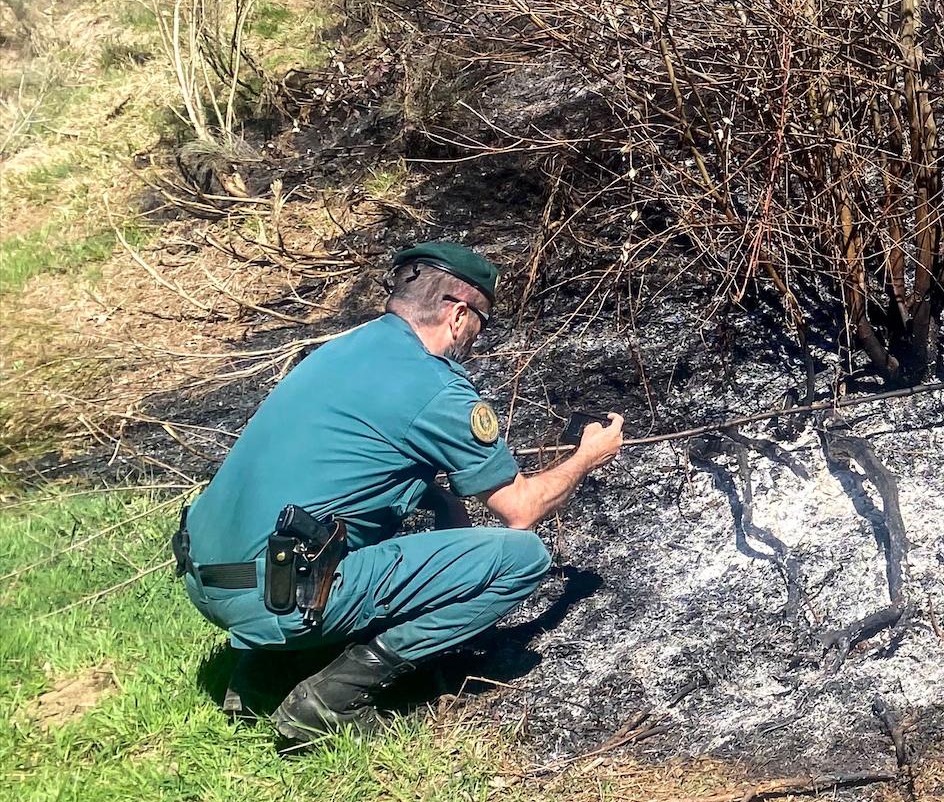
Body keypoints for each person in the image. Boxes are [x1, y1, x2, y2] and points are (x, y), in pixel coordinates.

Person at [176, 240, 624, 747]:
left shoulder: (343, 349)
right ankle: (330, 700)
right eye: (479, 323)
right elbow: (520, 510)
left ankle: (262, 674)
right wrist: (587, 457)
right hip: (271, 596)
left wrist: (443, 504)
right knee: (523, 557)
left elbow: (354, 470)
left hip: (207, 579)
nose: (476, 338)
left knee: (348, 524)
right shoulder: (435, 387)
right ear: (458, 314)